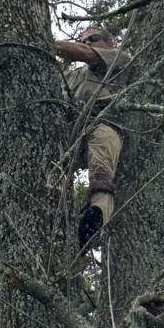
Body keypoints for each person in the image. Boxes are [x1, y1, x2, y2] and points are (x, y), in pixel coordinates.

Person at [54, 27, 133, 249]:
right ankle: (54, 214)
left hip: (103, 122)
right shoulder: (74, 76)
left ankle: (95, 220)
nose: (88, 43)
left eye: (93, 39)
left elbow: (85, 54)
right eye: (83, 40)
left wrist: (46, 42)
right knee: (54, 173)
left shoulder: (118, 59)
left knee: (101, 173)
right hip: (69, 133)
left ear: (109, 43)